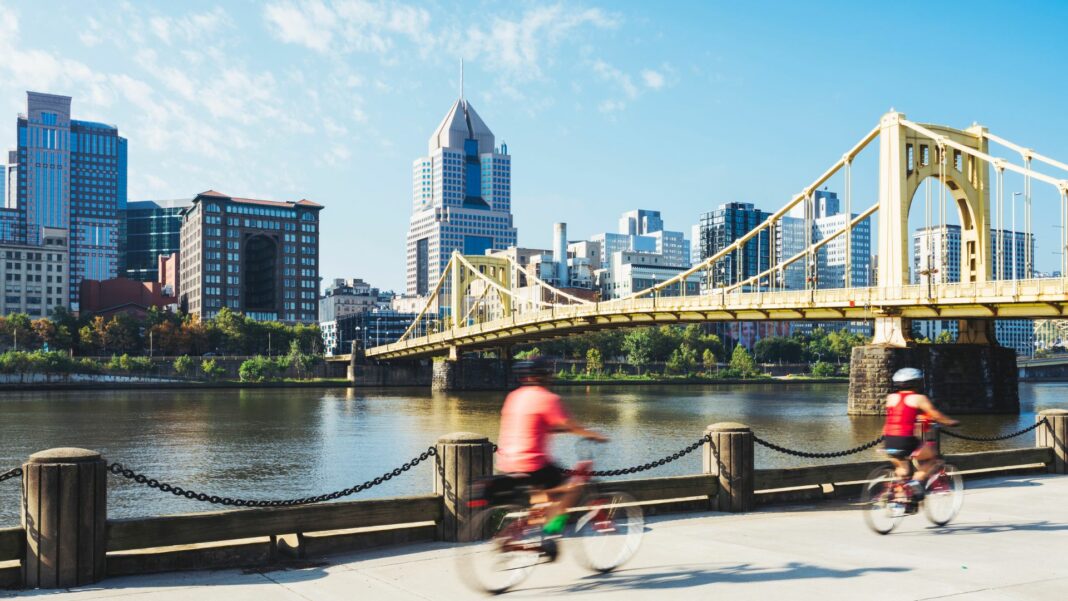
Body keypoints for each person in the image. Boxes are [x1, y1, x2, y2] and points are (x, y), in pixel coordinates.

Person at [496, 357, 607, 544]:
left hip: (505, 461)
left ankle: (526, 528)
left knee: (544, 495)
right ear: (545, 376)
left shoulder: (513, 396)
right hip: (532, 463)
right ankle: (550, 533)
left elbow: (530, 423)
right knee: (575, 486)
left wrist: (551, 428)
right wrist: (593, 434)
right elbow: (570, 425)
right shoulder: (547, 398)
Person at [883, 367, 959, 501]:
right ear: (917, 383)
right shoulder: (918, 398)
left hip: (889, 440)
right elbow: (935, 414)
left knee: (903, 470)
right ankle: (916, 482)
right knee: (934, 458)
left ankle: (897, 497)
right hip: (905, 440)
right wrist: (950, 422)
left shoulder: (890, 397)